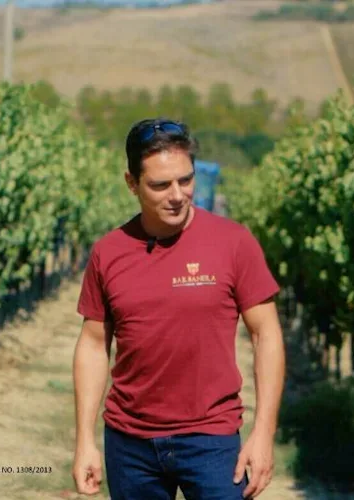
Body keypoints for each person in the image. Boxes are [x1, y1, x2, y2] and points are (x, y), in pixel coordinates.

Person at [71, 118, 286, 499]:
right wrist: (85, 439)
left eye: (185, 180)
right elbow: (92, 345)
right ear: (131, 183)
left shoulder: (233, 242)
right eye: (160, 184)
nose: (177, 195)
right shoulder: (109, 252)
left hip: (212, 440)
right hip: (130, 443)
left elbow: (265, 334)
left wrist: (263, 433)